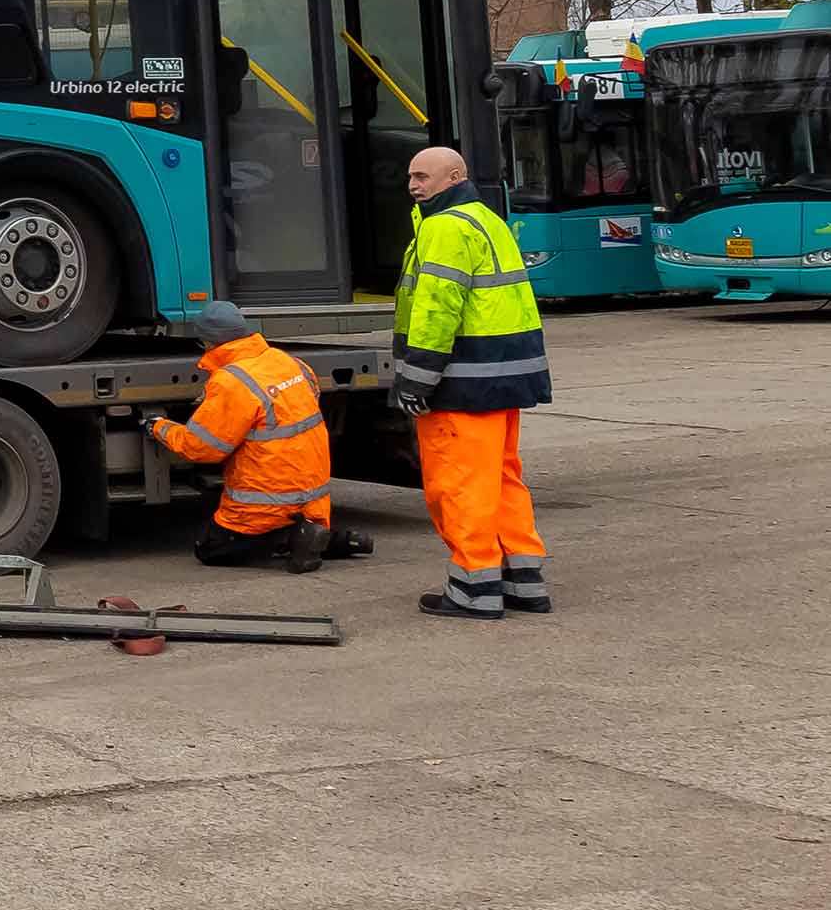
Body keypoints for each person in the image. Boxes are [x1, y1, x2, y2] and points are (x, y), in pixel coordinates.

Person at [393, 144, 554, 621]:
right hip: (503, 374)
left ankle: (474, 586)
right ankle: (523, 580)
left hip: (463, 380)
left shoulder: (444, 227)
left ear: (454, 176)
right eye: (410, 176)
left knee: (460, 482)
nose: (413, 185)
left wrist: (417, 379)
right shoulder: (485, 219)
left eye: (423, 176)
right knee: (502, 479)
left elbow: (437, 309)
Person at [149, 303, 372, 571]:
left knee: (210, 548)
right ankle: (338, 539)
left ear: (207, 341)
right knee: (293, 517)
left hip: (264, 503)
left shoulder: (230, 382)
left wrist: (159, 427)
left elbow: (201, 448)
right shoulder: (288, 361)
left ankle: (293, 539)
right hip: (311, 499)